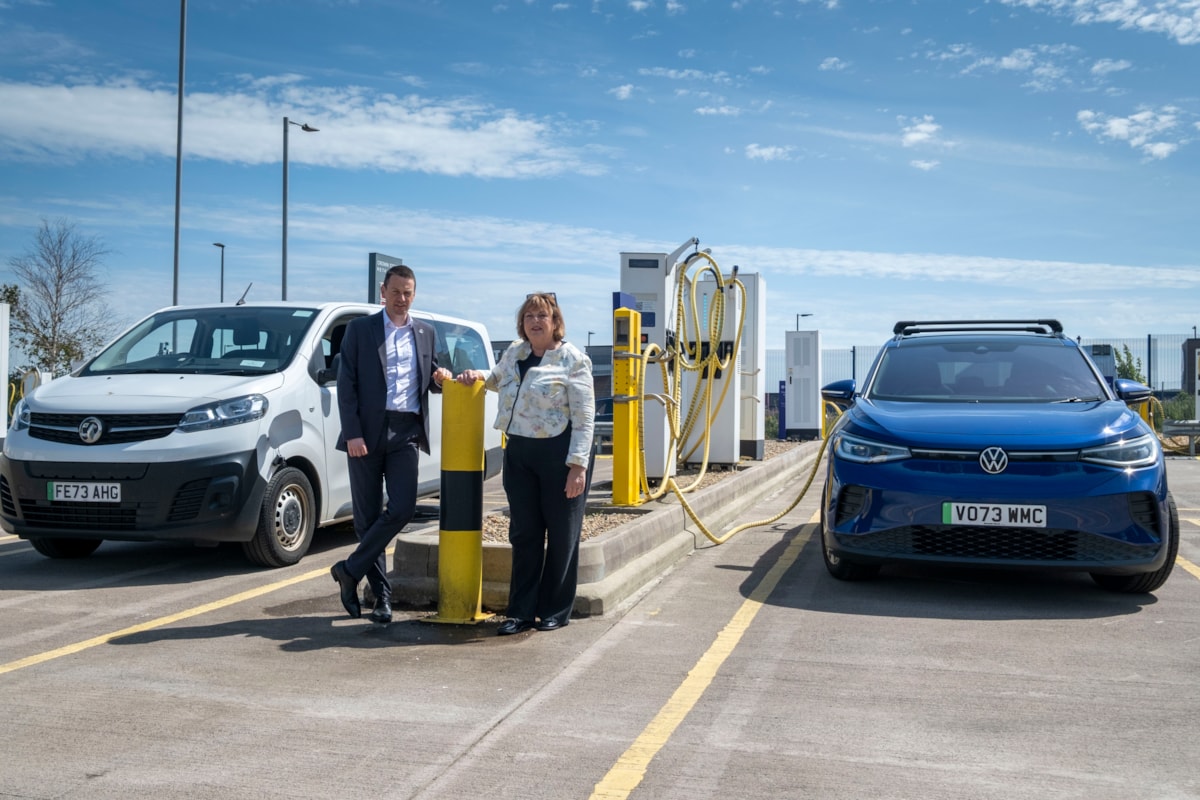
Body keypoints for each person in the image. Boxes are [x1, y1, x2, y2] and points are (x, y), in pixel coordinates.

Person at [455, 292, 594, 635]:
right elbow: (495, 379)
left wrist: (578, 466)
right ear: (522, 322)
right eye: (529, 316)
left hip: (559, 455)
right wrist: (473, 376)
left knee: (562, 537)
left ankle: (555, 610)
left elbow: (585, 417)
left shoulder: (572, 359)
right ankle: (520, 611)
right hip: (519, 454)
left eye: (542, 316)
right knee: (524, 534)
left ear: (555, 322)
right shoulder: (514, 353)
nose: (535, 322)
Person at [330, 264, 451, 624]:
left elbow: (431, 378)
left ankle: (349, 570)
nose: (402, 299)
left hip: (406, 431)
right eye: (396, 292)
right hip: (365, 433)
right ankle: (382, 597)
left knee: (401, 509)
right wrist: (352, 433)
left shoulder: (425, 332)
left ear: (415, 294)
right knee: (367, 519)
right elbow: (346, 383)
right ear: (383, 291)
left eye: (408, 293)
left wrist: (442, 379)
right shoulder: (360, 330)